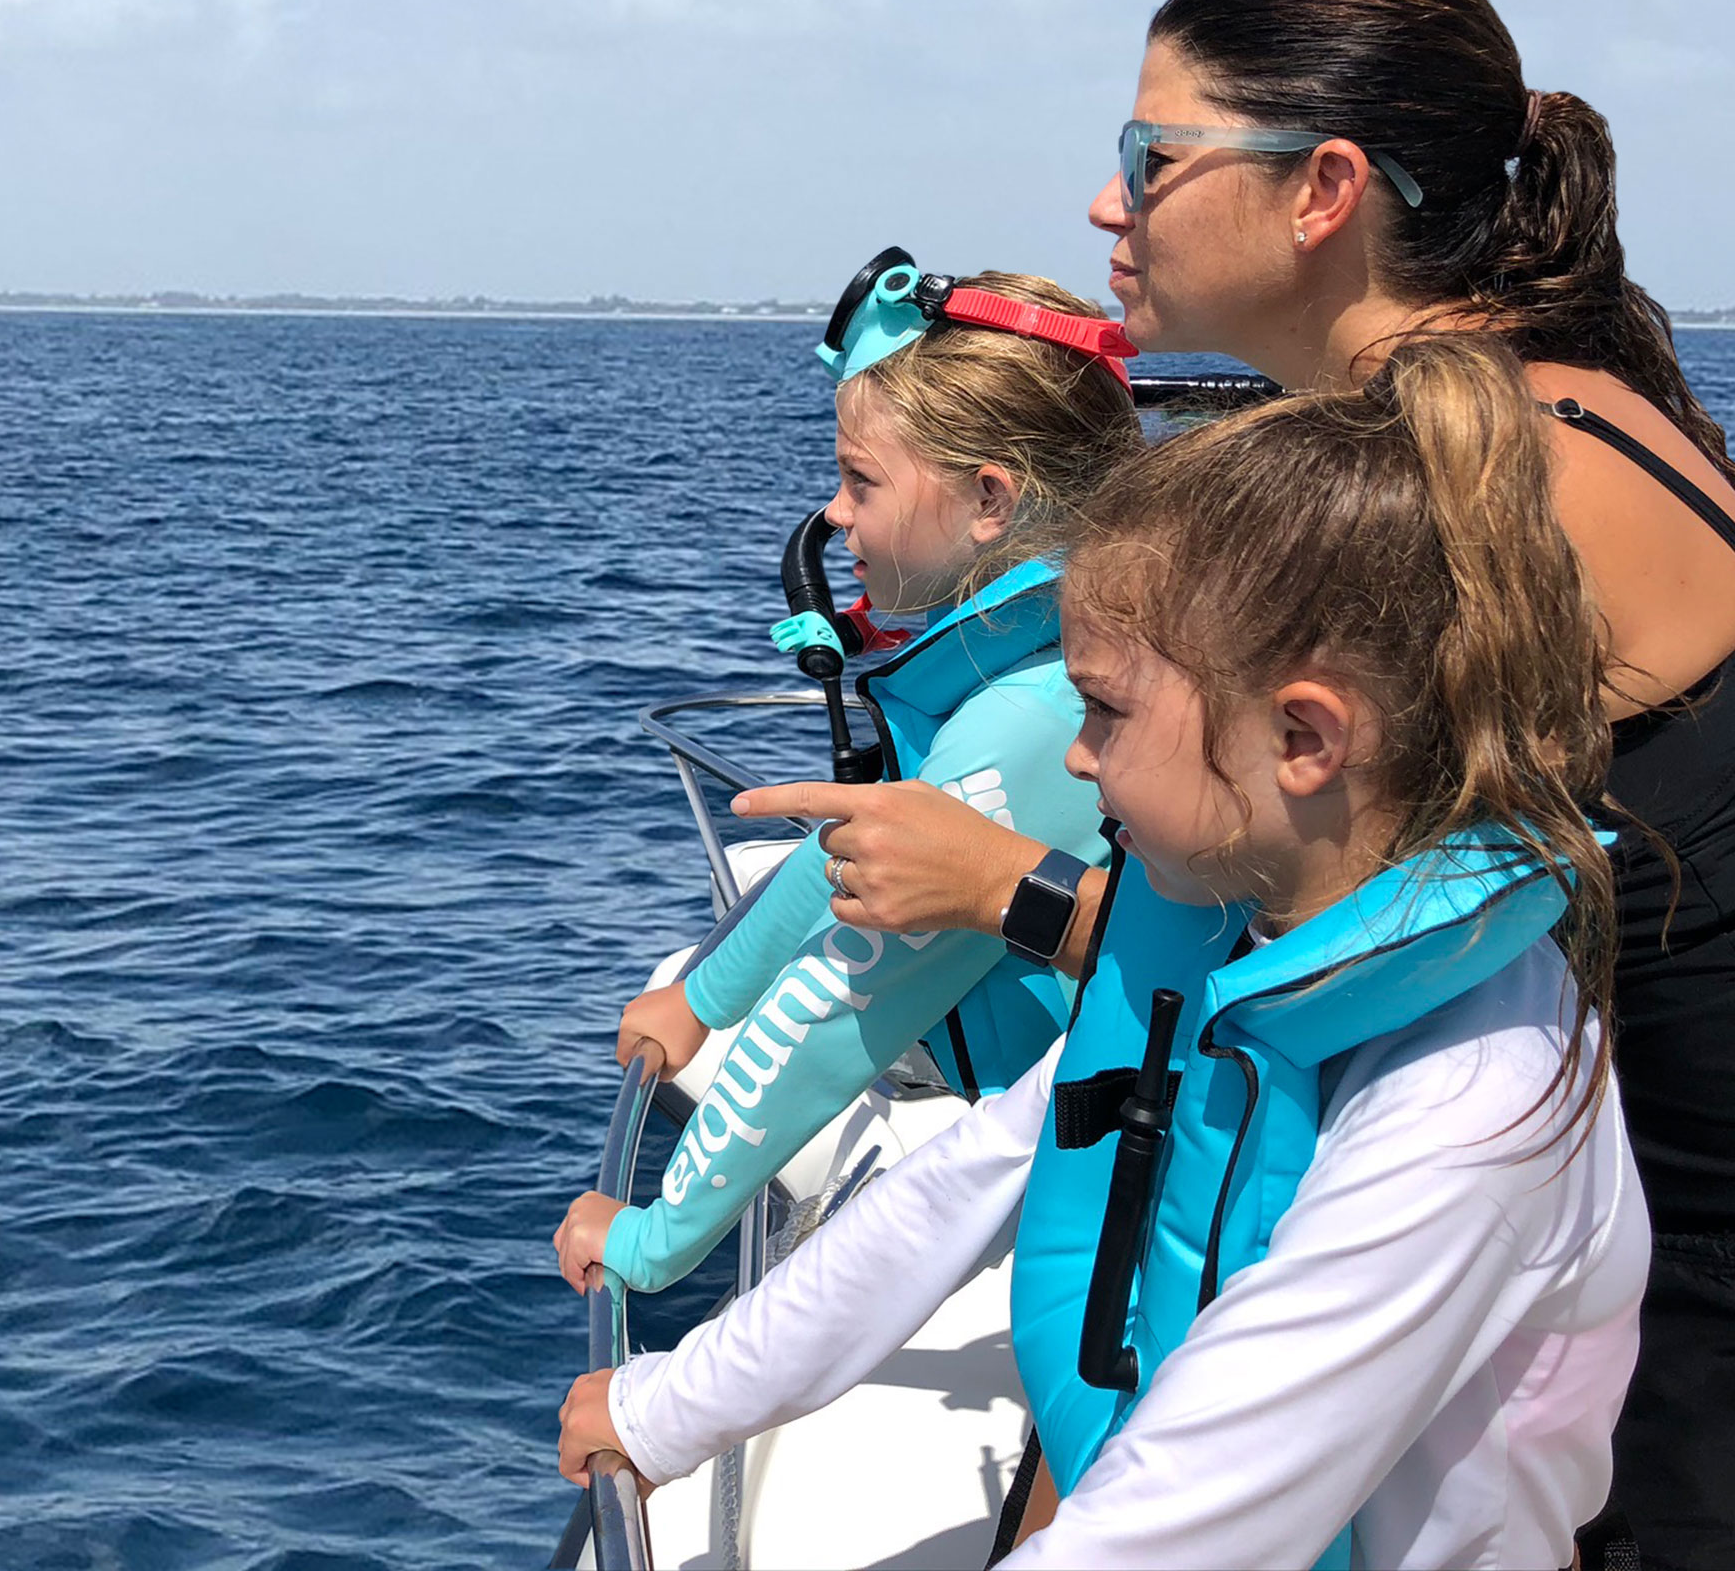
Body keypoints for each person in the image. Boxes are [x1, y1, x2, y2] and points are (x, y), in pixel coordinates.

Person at [733, 0, 1735, 1569]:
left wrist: (1006, 891)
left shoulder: (1436, 511)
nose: (1107, 206)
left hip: (1655, 1399)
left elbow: (1246, 1008)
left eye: (1153, 158)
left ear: (1322, 189)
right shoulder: (1575, 405)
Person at [561, 335, 1650, 1569]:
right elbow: (971, 1176)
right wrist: (667, 1404)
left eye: (1108, 711)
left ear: (1304, 739)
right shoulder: (1218, 928)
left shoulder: (1468, 1108)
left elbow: (1180, 1524)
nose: (1077, 761)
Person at [551, 267, 1140, 1297]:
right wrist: (701, 997)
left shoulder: (1029, 720)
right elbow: (854, 865)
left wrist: (654, 1239)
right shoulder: (1038, 663)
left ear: (990, 501)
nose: (835, 514)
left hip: (1081, 1185)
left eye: (860, 482)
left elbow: (839, 1002)